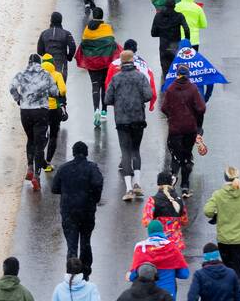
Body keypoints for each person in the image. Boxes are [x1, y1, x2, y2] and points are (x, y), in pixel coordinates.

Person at [52, 144, 104, 283]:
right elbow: (98, 184)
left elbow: (54, 188)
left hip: (69, 212)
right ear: (86, 153)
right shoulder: (92, 168)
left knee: (71, 245)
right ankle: (85, 273)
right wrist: (95, 198)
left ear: (73, 152)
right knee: (86, 242)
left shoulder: (64, 168)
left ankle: (72, 273)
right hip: (87, 211)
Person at [9, 54, 59, 191]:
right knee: (40, 143)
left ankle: (30, 167)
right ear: (40, 63)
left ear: (29, 62)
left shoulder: (21, 74)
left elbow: (12, 87)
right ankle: (36, 176)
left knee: (30, 139)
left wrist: (19, 99)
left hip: (25, 112)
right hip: (41, 112)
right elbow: (55, 92)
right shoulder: (45, 74)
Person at [109, 50, 154, 201]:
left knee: (125, 151)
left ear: (121, 62)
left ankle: (128, 188)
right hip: (138, 119)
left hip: (121, 120)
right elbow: (148, 95)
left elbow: (107, 99)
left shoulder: (115, 78)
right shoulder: (140, 76)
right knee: (136, 150)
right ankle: (138, 184)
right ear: (133, 61)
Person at [160, 64, 206, 196]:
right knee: (186, 156)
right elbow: (201, 108)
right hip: (189, 130)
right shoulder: (192, 88)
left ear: (177, 75)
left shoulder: (171, 89)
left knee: (175, 157)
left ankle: (172, 182)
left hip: (175, 130)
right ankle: (185, 186)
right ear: (188, 75)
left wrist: (172, 115)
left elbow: (163, 108)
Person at [202, 167, 240, 282]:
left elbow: (207, 211)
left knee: (228, 270)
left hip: (224, 240)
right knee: (238, 273)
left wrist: (217, 212)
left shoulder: (218, 194)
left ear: (225, 178)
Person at [77, 8, 120, 126]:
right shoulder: (106, 28)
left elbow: (84, 44)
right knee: (104, 86)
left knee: (95, 86)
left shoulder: (87, 29)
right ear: (102, 17)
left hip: (92, 63)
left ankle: (96, 109)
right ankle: (104, 111)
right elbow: (111, 42)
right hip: (105, 62)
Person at [126, 224, 189, 300]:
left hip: (147, 295)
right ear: (162, 231)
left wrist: (129, 276)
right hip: (168, 295)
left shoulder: (140, 248)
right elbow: (184, 274)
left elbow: (134, 276)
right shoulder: (172, 247)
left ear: (149, 232)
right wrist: (170, 270)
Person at [142, 171, 189, 249]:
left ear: (158, 184)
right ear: (171, 183)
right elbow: (184, 221)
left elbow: (146, 222)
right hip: (176, 245)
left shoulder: (153, 201)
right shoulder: (179, 201)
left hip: (159, 244)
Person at [41, 53, 69, 169]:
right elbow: (63, 90)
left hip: (41, 109)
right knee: (53, 136)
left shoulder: (39, 75)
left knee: (41, 135)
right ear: (53, 63)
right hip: (54, 109)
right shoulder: (57, 75)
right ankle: (47, 162)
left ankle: (39, 159)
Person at [150, 0, 190, 75]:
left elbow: (153, 33)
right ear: (174, 6)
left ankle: (166, 84)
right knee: (177, 70)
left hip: (163, 47)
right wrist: (187, 41)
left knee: (165, 71)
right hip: (175, 46)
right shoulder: (179, 16)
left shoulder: (158, 16)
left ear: (165, 6)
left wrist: (162, 33)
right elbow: (186, 29)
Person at [38, 12, 77, 81]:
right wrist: (69, 57)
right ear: (61, 21)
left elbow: (39, 50)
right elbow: (73, 47)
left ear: (51, 20)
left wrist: (45, 55)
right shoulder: (66, 33)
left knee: (47, 85)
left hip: (47, 63)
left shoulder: (44, 33)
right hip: (61, 62)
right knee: (60, 84)